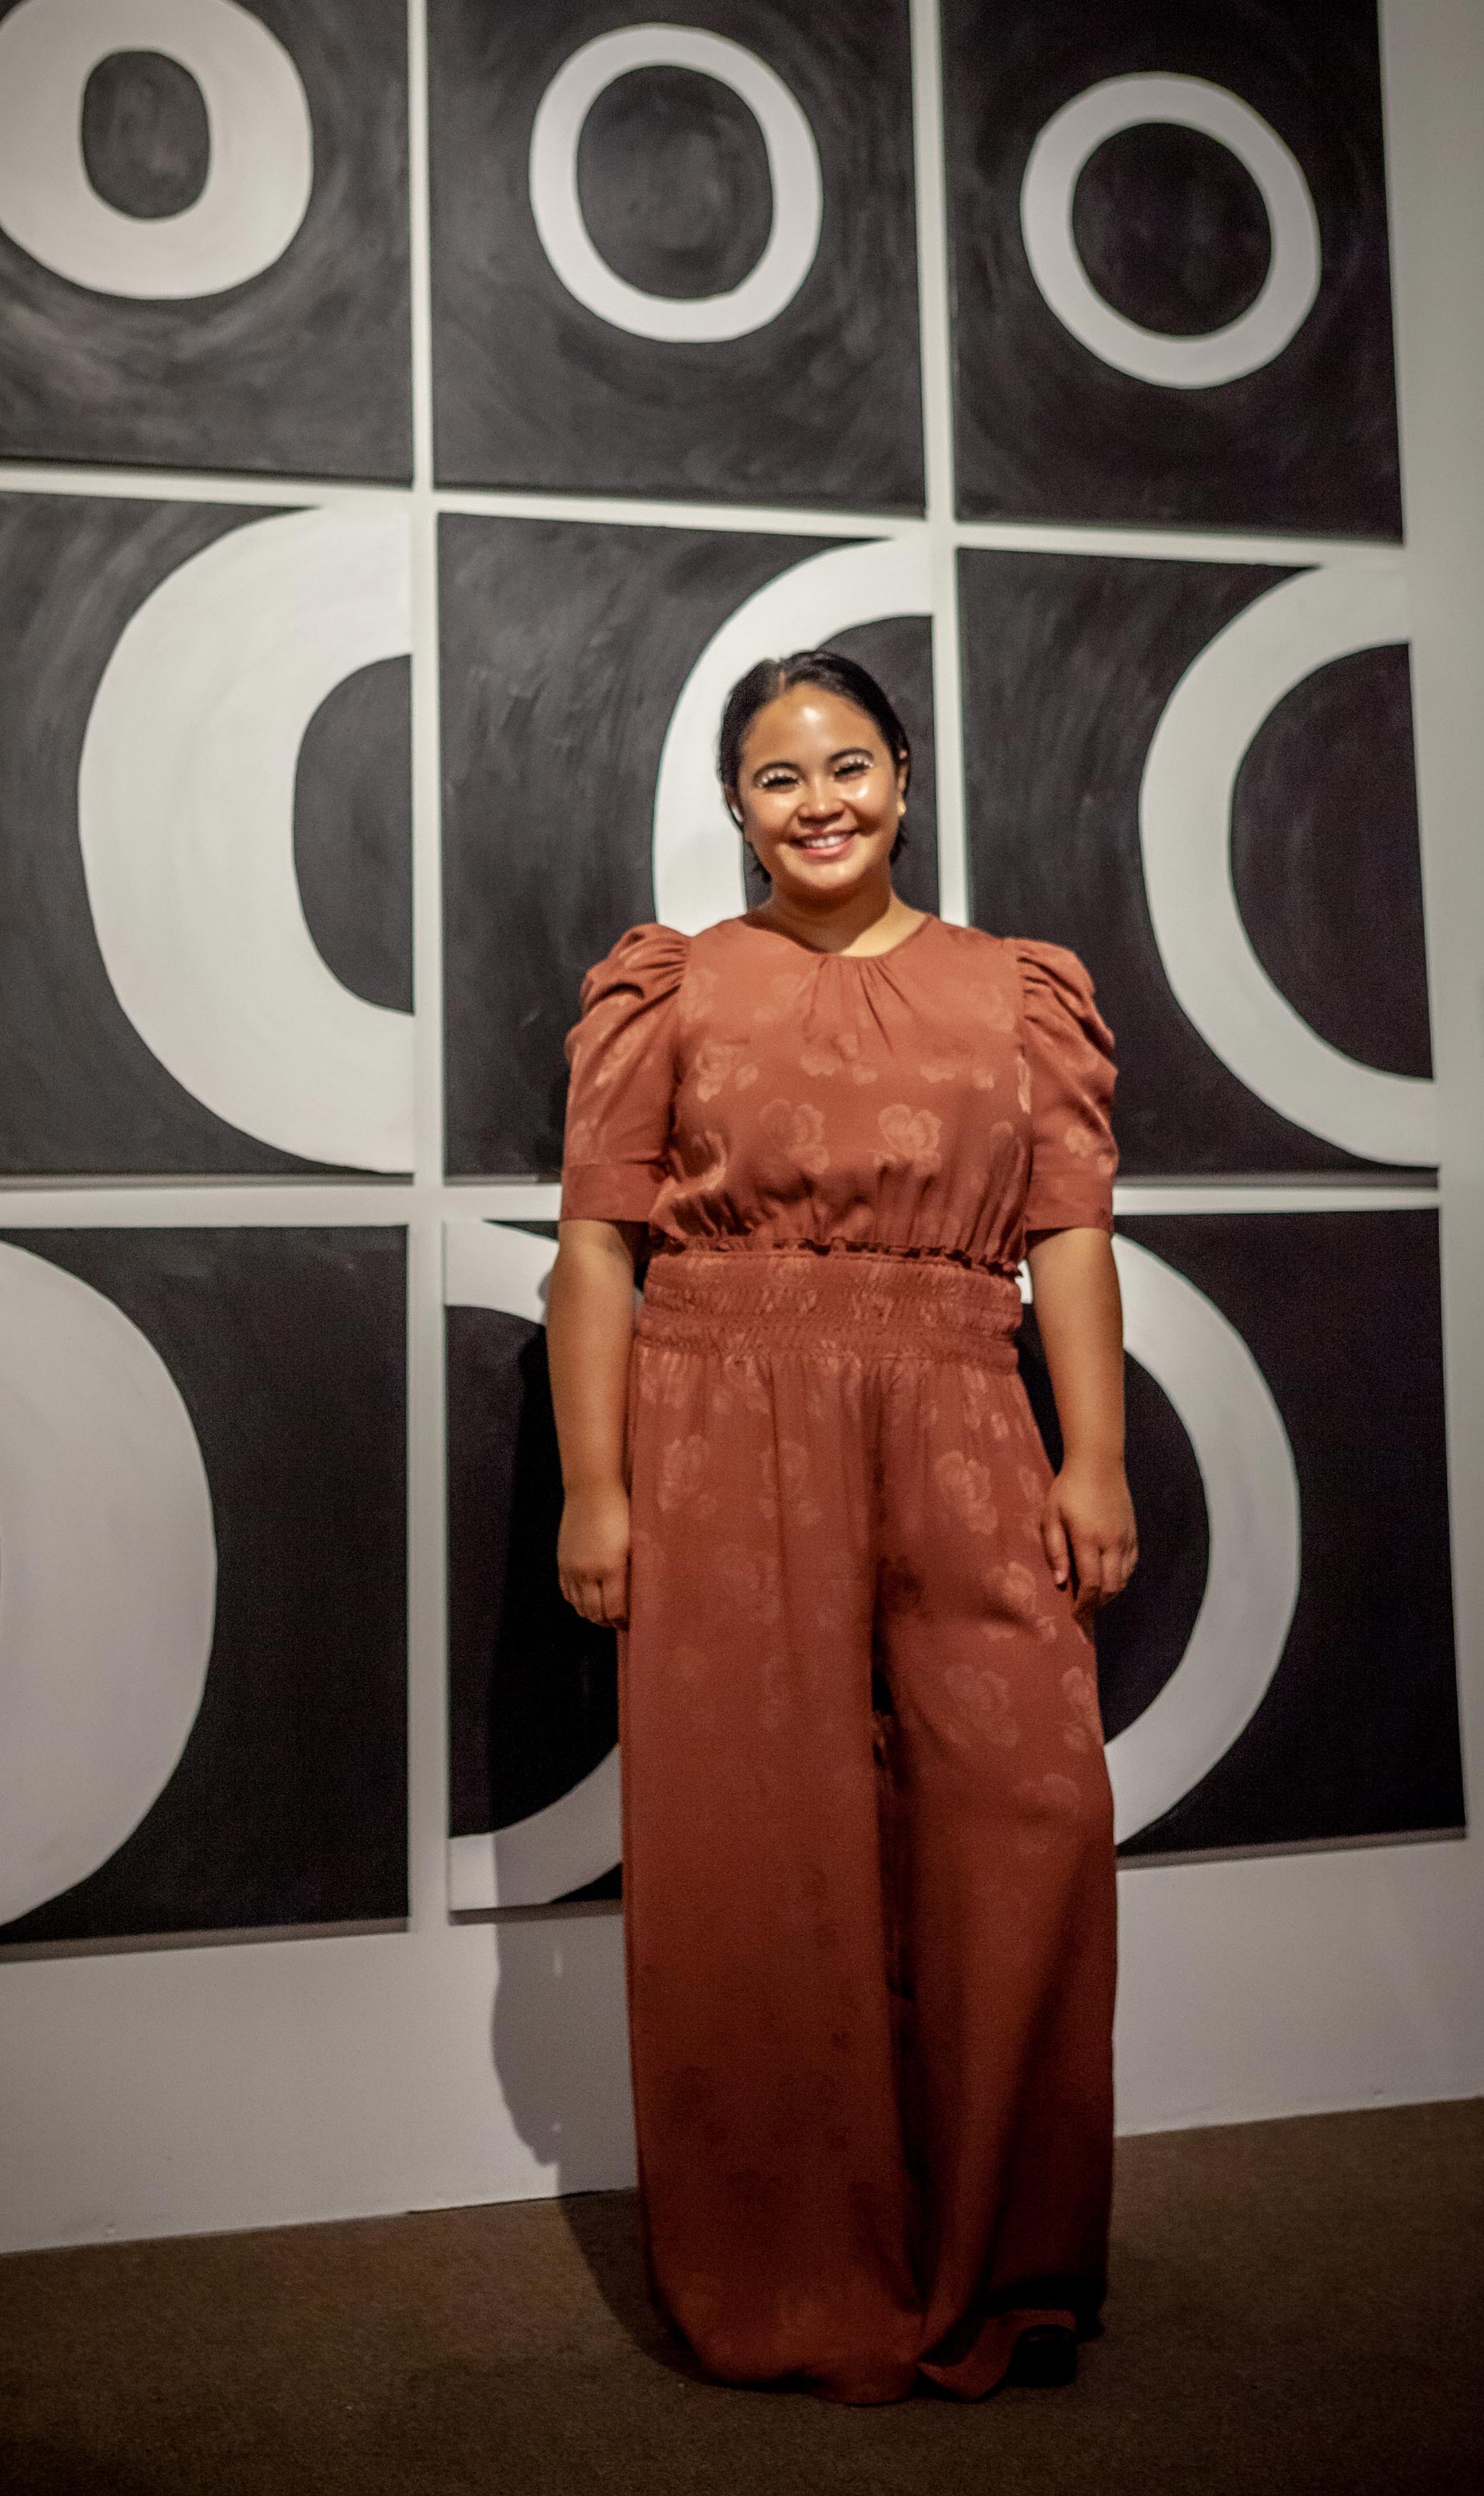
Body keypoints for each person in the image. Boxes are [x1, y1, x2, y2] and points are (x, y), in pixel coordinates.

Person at [544, 648, 1135, 2404]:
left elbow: (1075, 1240)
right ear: (736, 806)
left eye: (851, 764)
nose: (822, 803)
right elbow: (598, 1251)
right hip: (721, 1415)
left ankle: (997, 2263)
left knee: (1021, 1814)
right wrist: (596, 1483)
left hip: (959, 1400)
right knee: (758, 1844)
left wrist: (1088, 1457)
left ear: (906, 779)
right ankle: (796, 2272)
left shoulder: (1018, 994)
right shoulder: (671, 991)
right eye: (782, 776)